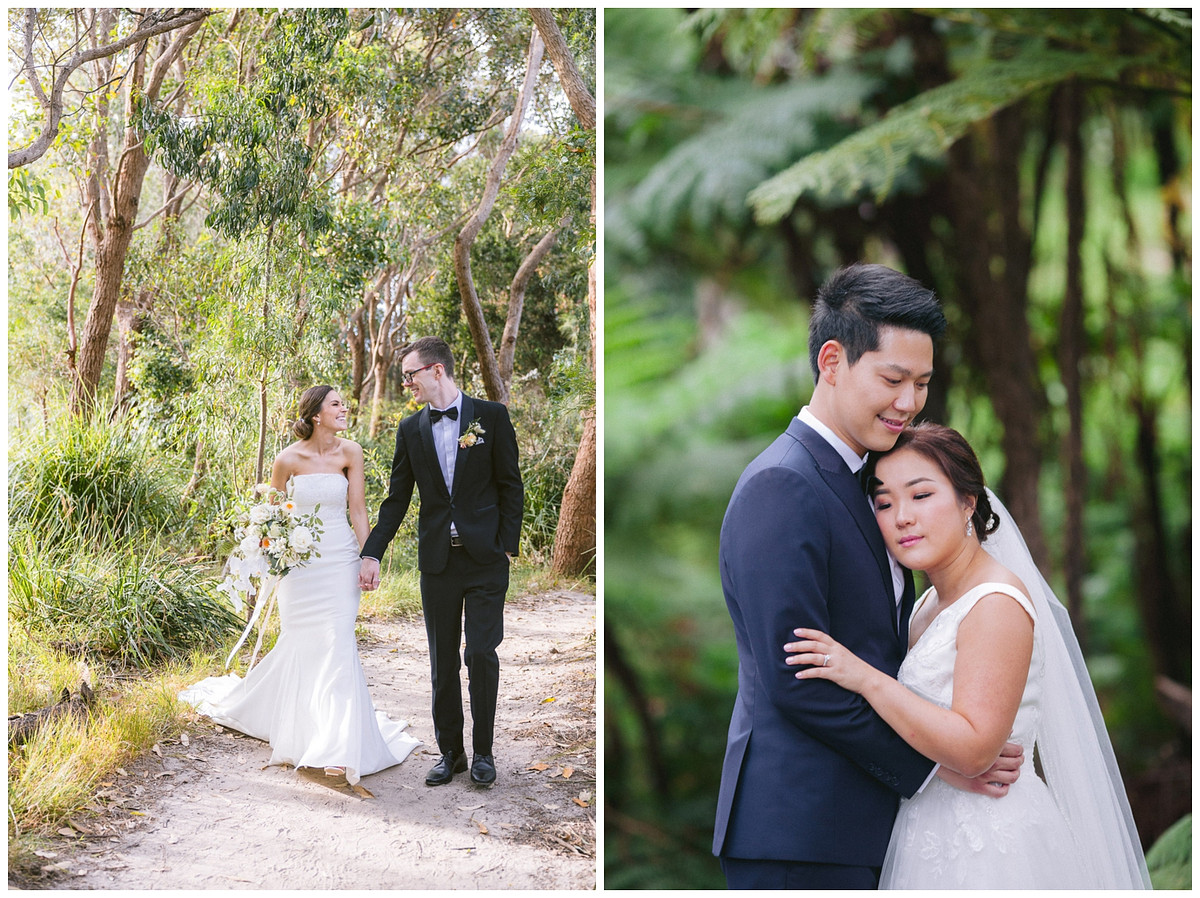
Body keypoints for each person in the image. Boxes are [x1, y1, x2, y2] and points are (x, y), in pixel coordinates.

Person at [713, 263, 1022, 889]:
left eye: (923, 383)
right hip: (798, 831)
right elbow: (799, 680)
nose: (908, 403)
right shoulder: (784, 484)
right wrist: (937, 765)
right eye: (893, 378)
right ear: (832, 361)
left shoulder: (872, 484)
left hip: (862, 827)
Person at [784, 423, 1151, 888]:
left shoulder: (995, 603)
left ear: (967, 503)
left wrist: (867, 679)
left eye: (921, 495)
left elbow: (977, 749)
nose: (901, 517)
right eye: (883, 502)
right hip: (927, 827)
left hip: (989, 840)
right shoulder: (926, 605)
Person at [180, 385, 421, 786]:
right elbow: (269, 516)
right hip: (300, 567)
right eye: (336, 404)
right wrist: (273, 551)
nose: (344, 408)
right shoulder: (287, 459)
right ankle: (305, 728)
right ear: (315, 415)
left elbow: (358, 510)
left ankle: (338, 748)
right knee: (302, 642)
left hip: (341, 559)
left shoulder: (351, 452)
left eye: (344, 403)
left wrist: (369, 557)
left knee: (339, 641)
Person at [359, 336, 524, 788]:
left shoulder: (491, 417)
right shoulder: (410, 429)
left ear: (436, 371)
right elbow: (396, 500)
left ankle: (484, 753)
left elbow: (511, 485)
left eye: (410, 373)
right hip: (437, 562)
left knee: (481, 653)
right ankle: (450, 753)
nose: (405, 382)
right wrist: (372, 550)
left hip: (486, 559)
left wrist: (507, 545)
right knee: (442, 661)